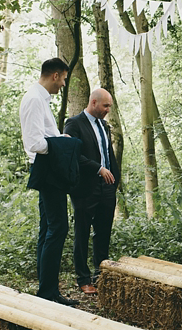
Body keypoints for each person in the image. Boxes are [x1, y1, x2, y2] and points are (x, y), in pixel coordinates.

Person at [19, 58, 79, 306]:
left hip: (47, 169)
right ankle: (48, 292)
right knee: (58, 228)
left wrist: (57, 137)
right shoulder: (34, 99)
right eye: (64, 78)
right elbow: (34, 143)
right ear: (55, 75)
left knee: (48, 229)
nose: (64, 84)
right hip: (47, 171)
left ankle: (46, 290)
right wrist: (62, 144)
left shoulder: (41, 98)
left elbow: (45, 136)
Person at [64, 88, 120, 295]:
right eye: (105, 106)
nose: (107, 110)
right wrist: (98, 168)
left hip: (107, 187)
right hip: (84, 187)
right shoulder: (74, 123)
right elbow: (73, 154)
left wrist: (115, 180)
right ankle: (83, 278)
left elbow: (108, 155)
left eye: (109, 107)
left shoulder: (105, 126)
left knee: (103, 232)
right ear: (94, 102)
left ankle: (101, 274)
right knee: (82, 232)